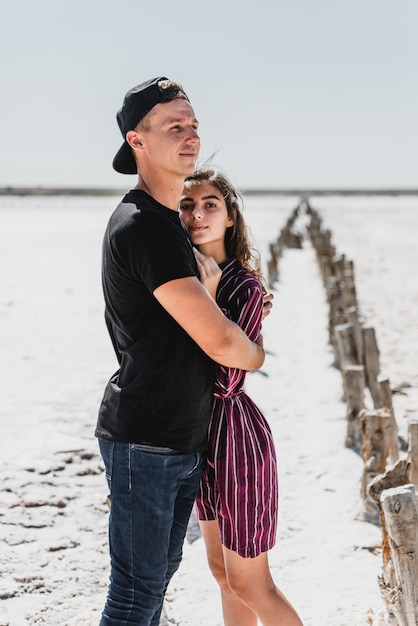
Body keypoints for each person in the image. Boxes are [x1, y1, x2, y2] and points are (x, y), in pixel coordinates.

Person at [95, 77, 266, 626]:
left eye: (193, 124)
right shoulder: (145, 226)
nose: (190, 135)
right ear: (136, 140)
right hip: (145, 439)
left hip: (178, 436)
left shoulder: (170, 225)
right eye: (173, 126)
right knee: (135, 596)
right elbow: (223, 343)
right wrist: (257, 353)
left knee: (153, 585)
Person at [179, 168, 304, 626]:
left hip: (236, 442)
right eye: (187, 205)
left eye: (211, 204)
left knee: (253, 584)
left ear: (231, 216)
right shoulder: (179, 280)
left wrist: (209, 299)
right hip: (200, 438)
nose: (198, 214)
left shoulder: (244, 287)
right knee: (222, 574)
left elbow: (225, 382)